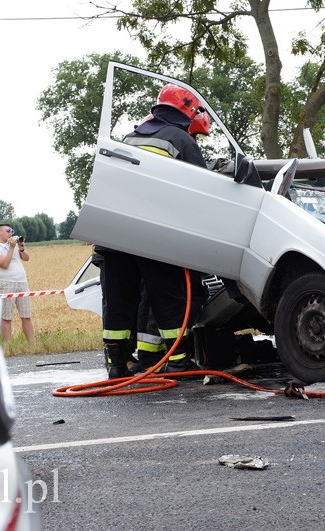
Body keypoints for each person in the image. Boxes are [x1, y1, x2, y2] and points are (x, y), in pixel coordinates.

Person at [95, 83, 207, 378]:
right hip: (154, 236)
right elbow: (203, 189)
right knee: (168, 298)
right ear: (186, 111)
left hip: (114, 235)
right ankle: (179, 361)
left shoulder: (128, 138)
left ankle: (117, 366)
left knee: (118, 303)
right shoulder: (180, 140)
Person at [0, 223, 34, 343]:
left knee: (26, 315)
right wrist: (12, 248)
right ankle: (8, 346)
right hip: (7, 283)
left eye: (12, 231)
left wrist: (21, 248)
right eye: (8, 231)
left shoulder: (14, 246)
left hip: (22, 282)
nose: (11, 233)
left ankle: (32, 344)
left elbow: (26, 258)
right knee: (6, 317)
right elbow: (4, 264)